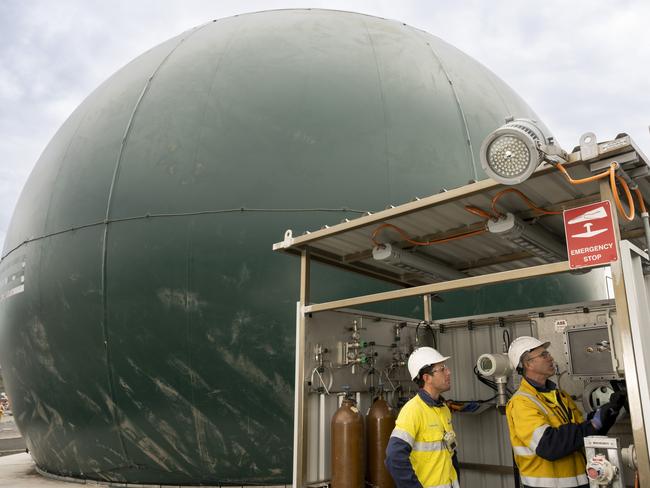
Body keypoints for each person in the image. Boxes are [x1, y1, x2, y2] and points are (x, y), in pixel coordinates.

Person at [506, 336, 627, 488]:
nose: (551, 358)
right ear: (528, 364)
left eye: (548, 354)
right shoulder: (521, 403)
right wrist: (593, 425)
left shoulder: (560, 395)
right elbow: (549, 445)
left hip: (581, 482)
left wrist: (609, 412)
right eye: (544, 355)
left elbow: (583, 431)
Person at [385, 347, 460, 488]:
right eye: (442, 369)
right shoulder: (413, 411)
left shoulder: (443, 409)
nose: (448, 372)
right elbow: (394, 457)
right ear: (427, 378)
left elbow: (450, 452)